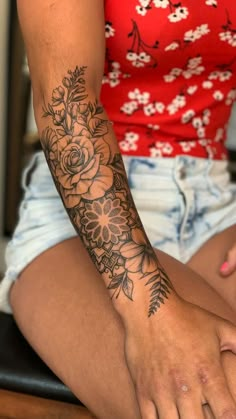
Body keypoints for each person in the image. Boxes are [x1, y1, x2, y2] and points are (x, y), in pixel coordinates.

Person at [0, 0, 236, 417]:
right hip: (85, 216)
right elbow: (66, 105)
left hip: (215, 202)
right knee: (212, 404)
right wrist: (150, 309)